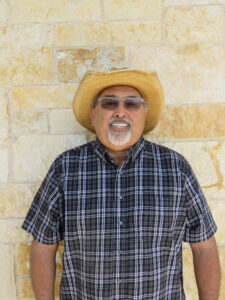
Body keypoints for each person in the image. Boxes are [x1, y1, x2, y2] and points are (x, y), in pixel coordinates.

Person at [22, 69, 221, 300]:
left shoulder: (176, 168)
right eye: (109, 103)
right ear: (93, 113)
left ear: (144, 114)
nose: (120, 111)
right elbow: (43, 246)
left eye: (132, 104)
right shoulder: (65, 168)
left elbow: (204, 246)